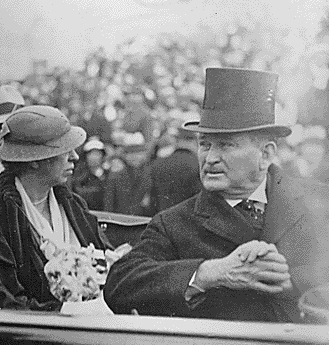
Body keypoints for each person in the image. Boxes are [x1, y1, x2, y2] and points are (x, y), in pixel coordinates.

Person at [104, 67, 329, 322]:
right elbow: (119, 283)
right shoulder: (173, 223)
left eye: (226, 145)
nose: (210, 158)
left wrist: (290, 280)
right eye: (204, 144)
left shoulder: (320, 204)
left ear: (265, 154)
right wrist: (210, 273)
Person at [0, 105, 112, 310]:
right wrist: (67, 311)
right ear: (35, 160)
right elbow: (2, 301)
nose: (75, 157)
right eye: (64, 150)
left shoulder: (74, 205)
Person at [149, 127, 202, 214]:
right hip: (189, 222)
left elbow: (152, 201)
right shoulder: (198, 165)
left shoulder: (159, 163)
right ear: (194, 141)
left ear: (177, 141)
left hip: (162, 220)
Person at [71, 136, 107, 210]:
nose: (94, 157)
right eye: (91, 154)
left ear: (102, 156)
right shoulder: (79, 175)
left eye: (97, 154)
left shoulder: (109, 175)